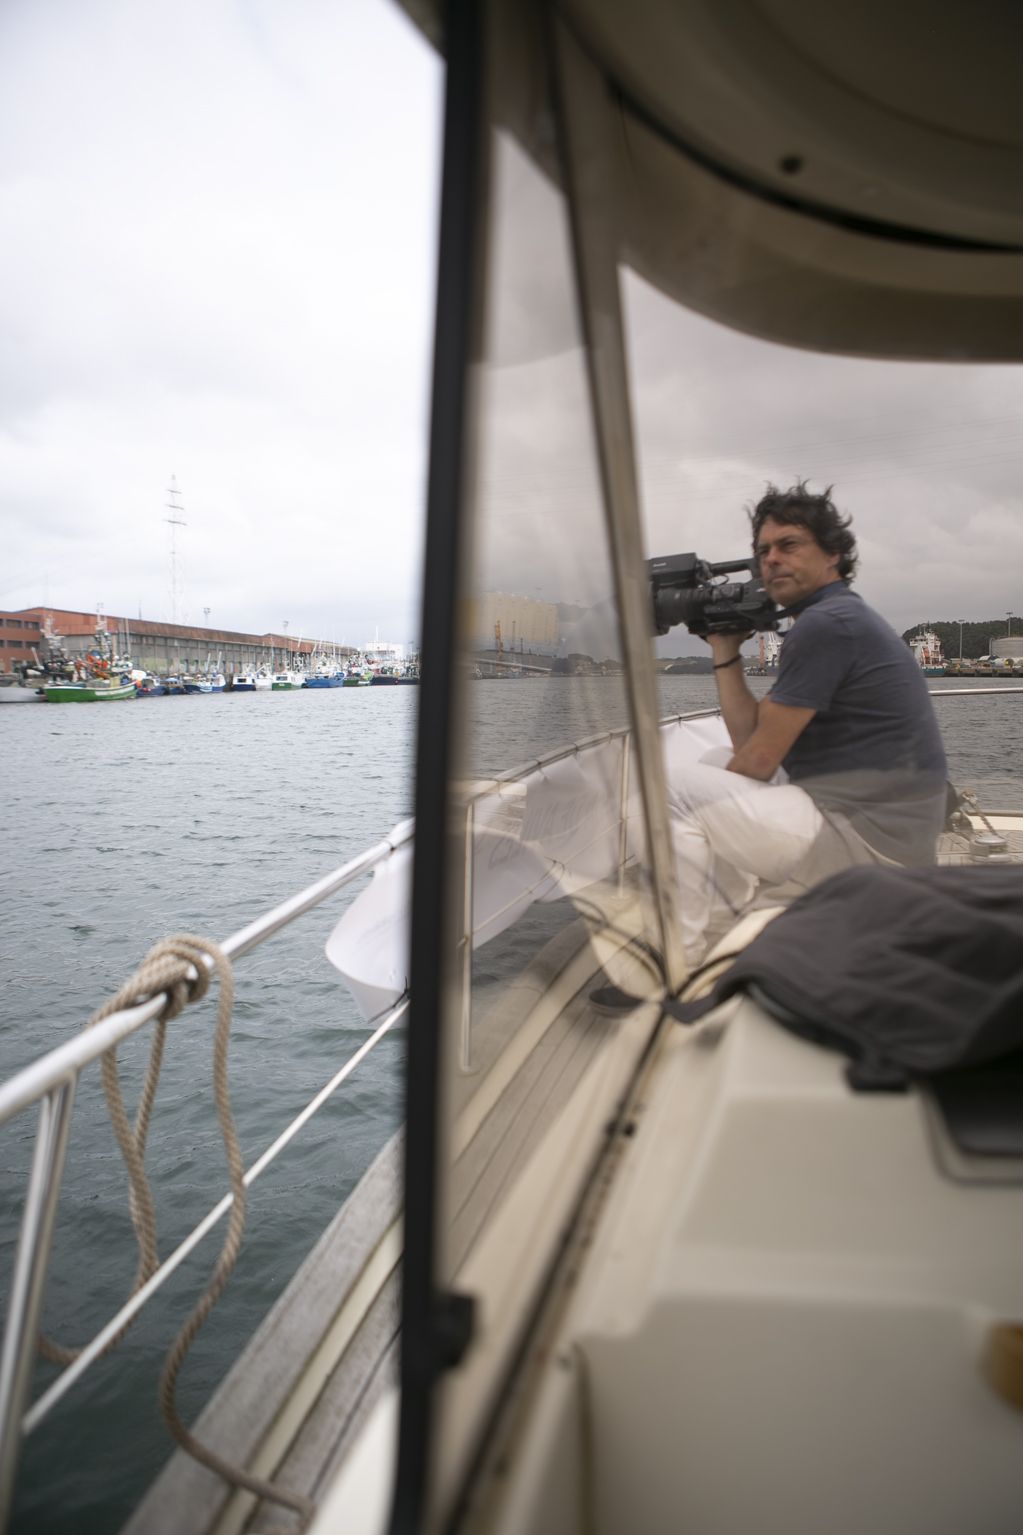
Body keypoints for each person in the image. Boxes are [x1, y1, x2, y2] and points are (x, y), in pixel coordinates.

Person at [668, 481, 947, 961]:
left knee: (673, 791)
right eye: (763, 551)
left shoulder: (826, 625)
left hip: (870, 845)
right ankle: (728, 916)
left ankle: (684, 959)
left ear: (833, 553)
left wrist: (715, 809)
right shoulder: (832, 617)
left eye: (788, 545)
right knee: (714, 761)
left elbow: (756, 761)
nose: (770, 559)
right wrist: (725, 651)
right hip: (887, 830)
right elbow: (749, 743)